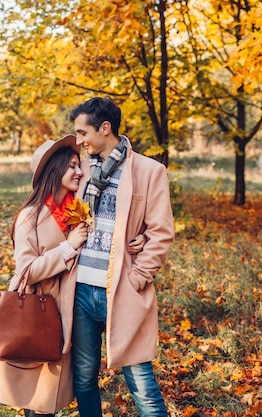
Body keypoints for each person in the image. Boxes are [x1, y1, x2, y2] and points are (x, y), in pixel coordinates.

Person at [0, 134, 146, 416]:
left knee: (52, 393)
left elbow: (114, 231)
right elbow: (26, 272)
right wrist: (68, 246)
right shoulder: (30, 216)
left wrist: (141, 238)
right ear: (54, 170)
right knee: (35, 394)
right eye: (72, 166)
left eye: (79, 165)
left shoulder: (79, 209)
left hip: (69, 311)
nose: (79, 171)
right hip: (37, 312)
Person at [69, 96, 175, 417]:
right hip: (81, 290)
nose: (79, 140)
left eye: (83, 132)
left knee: (141, 382)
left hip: (123, 290)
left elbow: (161, 232)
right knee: (84, 378)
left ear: (105, 128)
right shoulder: (80, 169)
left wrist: (138, 277)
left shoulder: (148, 170)